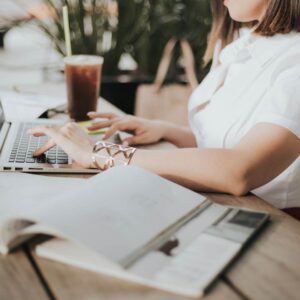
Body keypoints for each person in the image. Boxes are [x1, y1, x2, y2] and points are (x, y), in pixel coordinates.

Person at [29, 0, 300, 211]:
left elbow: (239, 170)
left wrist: (98, 154)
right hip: (215, 204)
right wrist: (165, 129)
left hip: (271, 228)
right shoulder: (246, 40)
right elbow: (225, 145)